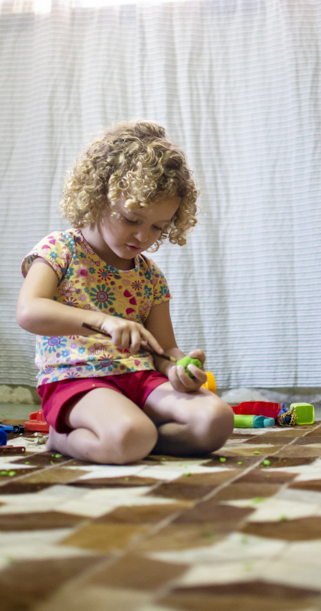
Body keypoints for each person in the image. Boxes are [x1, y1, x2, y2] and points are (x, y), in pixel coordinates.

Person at [16, 120, 234, 464]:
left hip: (140, 377)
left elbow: (164, 349)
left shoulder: (150, 275)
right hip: (76, 378)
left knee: (216, 421)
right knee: (133, 435)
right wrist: (103, 321)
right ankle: (65, 438)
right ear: (98, 195)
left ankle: (132, 435)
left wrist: (178, 370)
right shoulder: (59, 250)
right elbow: (29, 312)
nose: (143, 236)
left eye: (158, 227)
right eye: (132, 219)